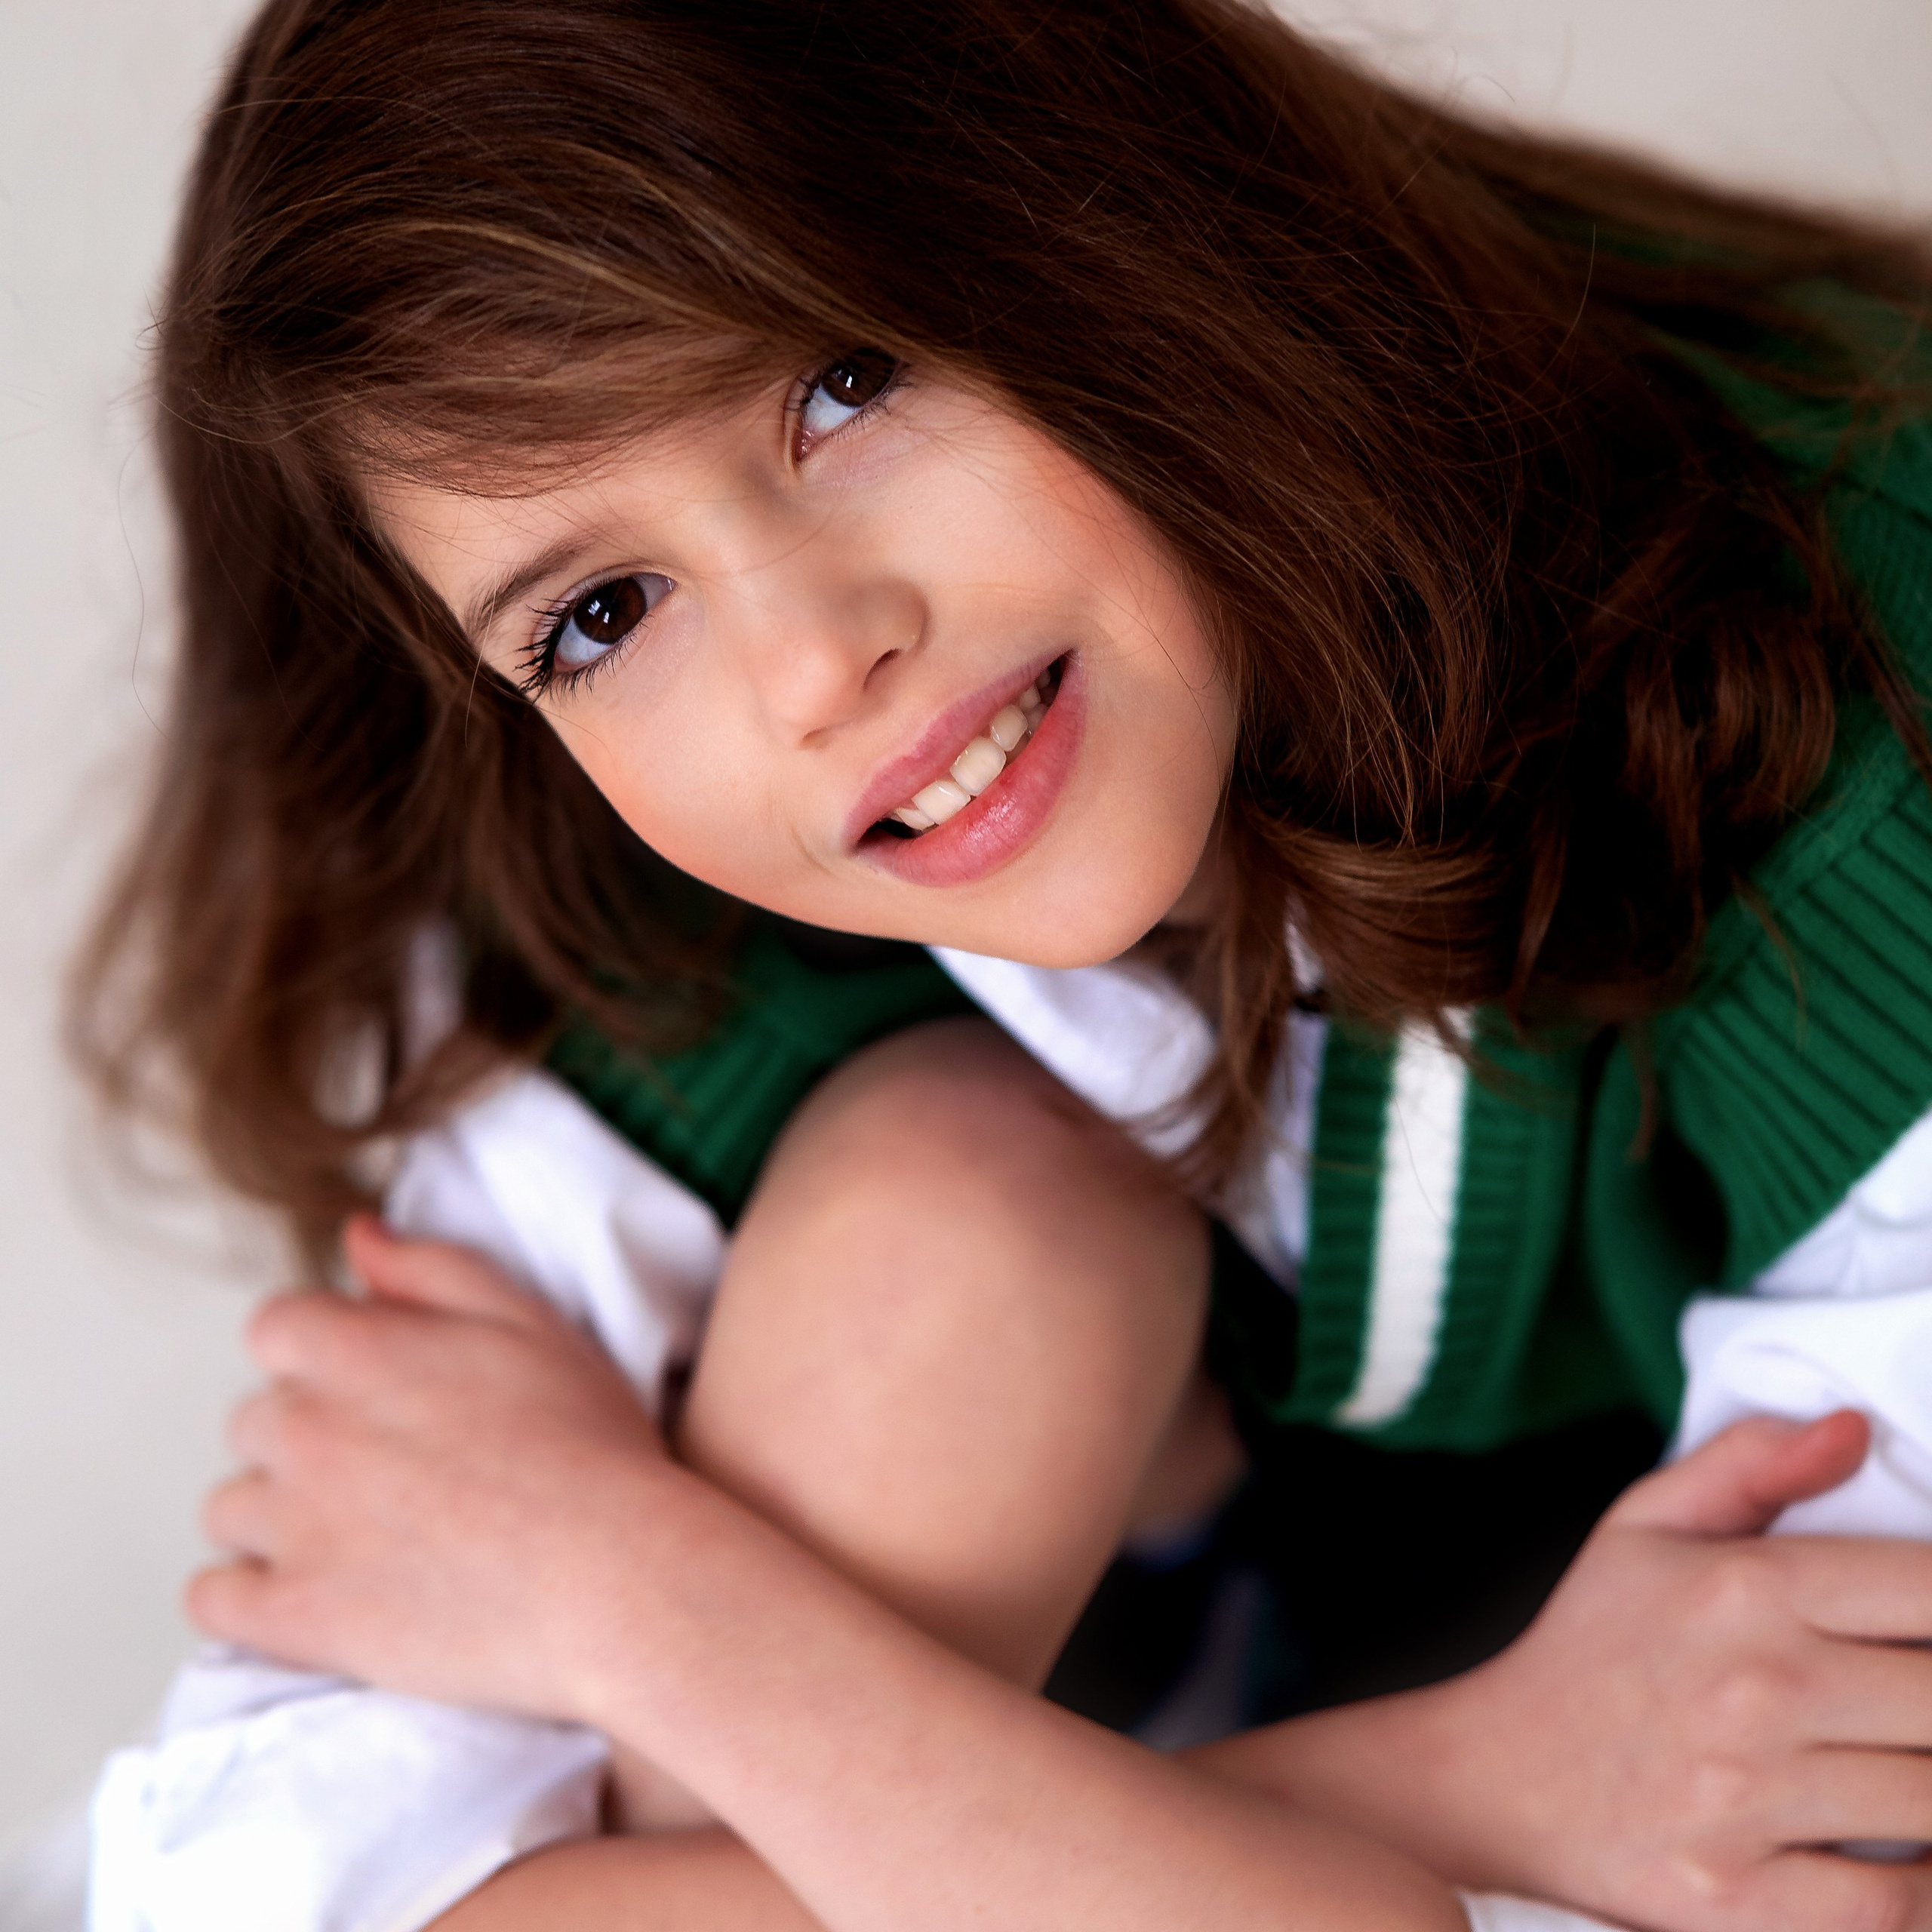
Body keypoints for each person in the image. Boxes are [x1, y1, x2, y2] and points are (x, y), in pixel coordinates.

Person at [74, 0, 1932, 1927]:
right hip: (1271, 1687)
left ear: (1120, 197)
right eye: (603, 613)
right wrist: (1464, 1778)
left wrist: (625, 1591)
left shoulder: (1876, 731)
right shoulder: (634, 922)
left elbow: (1819, 1813)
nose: (815, 663)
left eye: (842, 383)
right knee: (959, 1214)